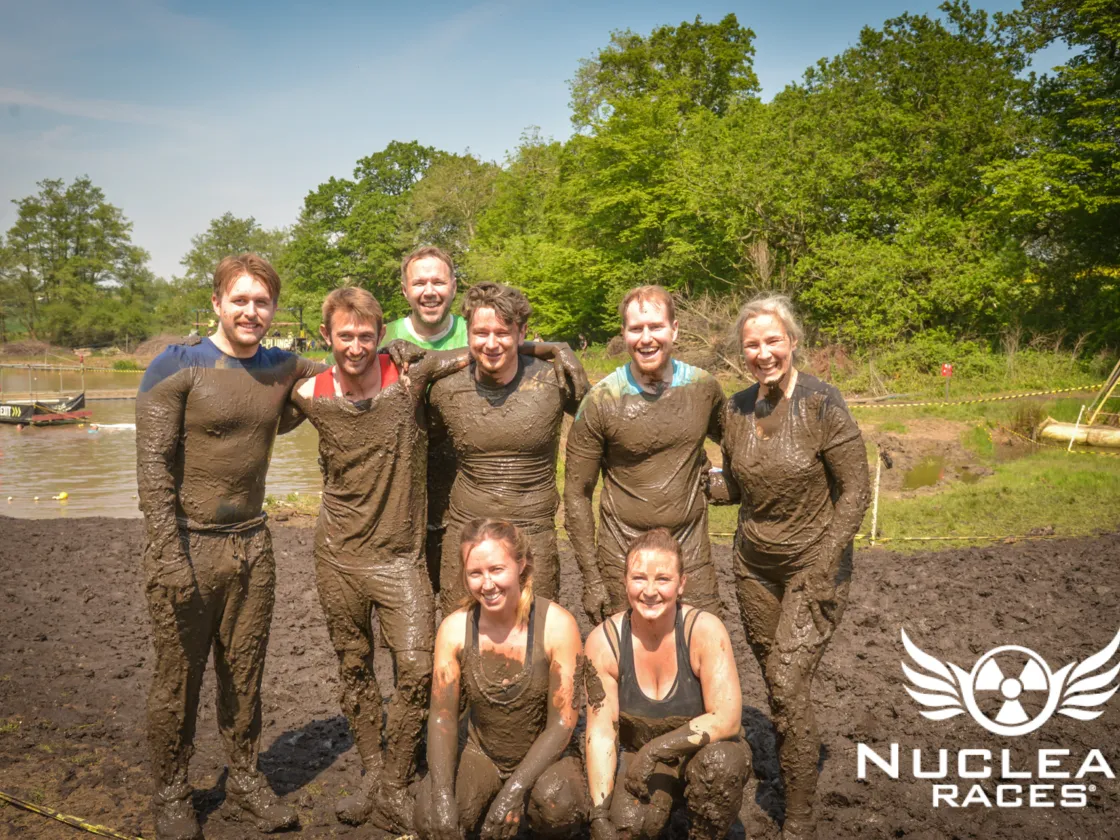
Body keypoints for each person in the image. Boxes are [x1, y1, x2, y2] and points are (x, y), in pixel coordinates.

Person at [136, 254, 320, 840]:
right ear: (216, 302)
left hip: (252, 546)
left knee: (245, 676)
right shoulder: (177, 365)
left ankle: (244, 780)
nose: (250, 310)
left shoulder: (283, 367)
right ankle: (171, 791)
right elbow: (153, 470)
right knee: (178, 679)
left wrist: (399, 353)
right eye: (239, 299)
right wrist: (167, 557)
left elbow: (352, 363)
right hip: (187, 544)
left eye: (262, 301)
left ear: (274, 309)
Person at [286, 287, 468, 831]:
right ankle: (373, 770)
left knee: (416, 668)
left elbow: (487, 349)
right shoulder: (307, 394)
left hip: (399, 558)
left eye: (367, 336)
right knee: (354, 663)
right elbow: (251, 393)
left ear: (381, 336)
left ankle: (393, 779)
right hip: (336, 554)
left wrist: (549, 350)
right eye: (346, 336)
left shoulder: (410, 377)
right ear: (327, 337)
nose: (357, 346)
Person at [709, 294, 870, 839]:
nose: (763, 352)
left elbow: (856, 489)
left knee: (782, 679)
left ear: (793, 342)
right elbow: (736, 485)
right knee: (783, 688)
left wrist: (825, 566)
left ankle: (798, 817)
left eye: (772, 340)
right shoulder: (734, 409)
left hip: (814, 568)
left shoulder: (823, 403)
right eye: (752, 344)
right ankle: (788, 777)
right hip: (752, 568)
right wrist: (702, 481)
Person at [415, 519, 588, 839]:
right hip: (482, 755)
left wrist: (514, 791)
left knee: (556, 803)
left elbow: (563, 724)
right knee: (429, 814)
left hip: (546, 757)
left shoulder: (558, 626)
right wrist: (441, 796)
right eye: (475, 574)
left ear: (521, 565)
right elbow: (442, 718)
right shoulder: (454, 629)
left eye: (497, 569)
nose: (487, 584)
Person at [565, 285, 725, 624]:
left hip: (689, 548)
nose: (646, 338)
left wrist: (722, 481)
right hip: (622, 549)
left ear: (674, 329)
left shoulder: (703, 388)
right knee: (625, 659)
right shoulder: (601, 400)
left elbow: (741, 445)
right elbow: (577, 494)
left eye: (656, 327)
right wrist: (591, 578)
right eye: (636, 329)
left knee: (702, 647)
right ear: (623, 334)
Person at [428, 282, 589, 614]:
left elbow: (604, 428)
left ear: (521, 332)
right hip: (466, 530)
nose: (490, 344)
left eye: (502, 333)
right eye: (480, 333)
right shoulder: (446, 389)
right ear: (468, 333)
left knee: (535, 639)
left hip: (533, 532)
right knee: (460, 636)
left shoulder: (553, 380)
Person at [583, 529, 749, 840]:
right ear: (624, 581)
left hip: (699, 757)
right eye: (638, 578)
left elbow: (727, 719)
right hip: (637, 757)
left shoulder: (704, 631)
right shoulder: (603, 641)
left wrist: (655, 750)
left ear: (681, 583)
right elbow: (601, 732)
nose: (649, 591)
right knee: (629, 825)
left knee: (721, 764)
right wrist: (599, 814)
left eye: (662, 579)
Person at [381, 246, 468, 597]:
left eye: (438, 281)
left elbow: (515, 348)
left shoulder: (478, 331)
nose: (429, 291)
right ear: (405, 290)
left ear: (453, 286)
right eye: (419, 283)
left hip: (463, 472)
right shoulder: (380, 336)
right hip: (401, 477)